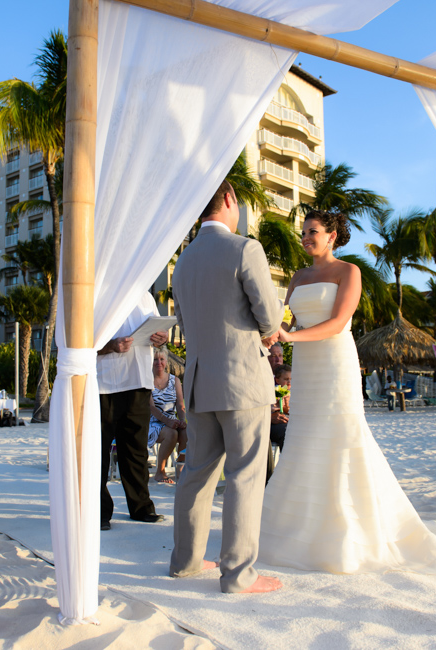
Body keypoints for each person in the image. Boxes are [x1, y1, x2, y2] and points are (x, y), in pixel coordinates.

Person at [261, 210, 436, 574]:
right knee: (305, 436)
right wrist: (270, 329)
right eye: (304, 232)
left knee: (340, 435)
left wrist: (291, 336)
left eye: (314, 231)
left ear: (332, 236)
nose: (306, 237)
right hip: (307, 362)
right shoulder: (298, 277)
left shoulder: (349, 272)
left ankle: (350, 527)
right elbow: (291, 322)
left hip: (334, 360)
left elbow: (339, 322)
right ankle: (300, 526)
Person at [169, 179, 284, 594]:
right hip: (242, 380)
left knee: (196, 473)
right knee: (244, 476)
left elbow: (183, 322)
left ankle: (184, 562)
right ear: (231, 200)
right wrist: (268, 332)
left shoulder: (183, 261)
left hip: (199, 382)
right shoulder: (244, 248)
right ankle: (238, 575)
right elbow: (269, 318)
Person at [98, 291, 168, 531]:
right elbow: (80, 342)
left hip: (139, 382)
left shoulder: (145, 296)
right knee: (99, 452)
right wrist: (111, 345)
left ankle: (141, 508)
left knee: (136, 451)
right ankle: (99, 513)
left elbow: (159, 333)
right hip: (103, 384)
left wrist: (162, 338)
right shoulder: (98, 291)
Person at [148, 347, 186, 484]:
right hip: (152, 422)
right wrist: (167, 421)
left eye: (162, 359)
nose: (159, 362)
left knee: (185, 431)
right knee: (172, 434)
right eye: (155, 359)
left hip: (171, 421)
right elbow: (151, 407)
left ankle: (181, 470)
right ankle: (160, 472)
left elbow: (180, 405)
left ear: (166, 361)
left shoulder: (174, 380)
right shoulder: (146, 379)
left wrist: (182, 420)